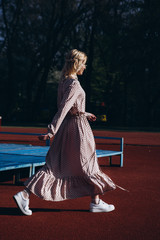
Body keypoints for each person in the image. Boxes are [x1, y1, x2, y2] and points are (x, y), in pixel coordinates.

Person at [13, 49, 116, 215]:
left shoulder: (64, 81)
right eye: (83, 63)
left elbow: (69, 109)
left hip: (66, 129)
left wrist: (85, 113)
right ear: (77, 64)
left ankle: (24, 195)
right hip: (78, 131)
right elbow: (63, 109)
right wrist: (51, 130)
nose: (85, 66)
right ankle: (95, 202)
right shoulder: (74, 84)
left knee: (54, 166)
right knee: (89, 165)